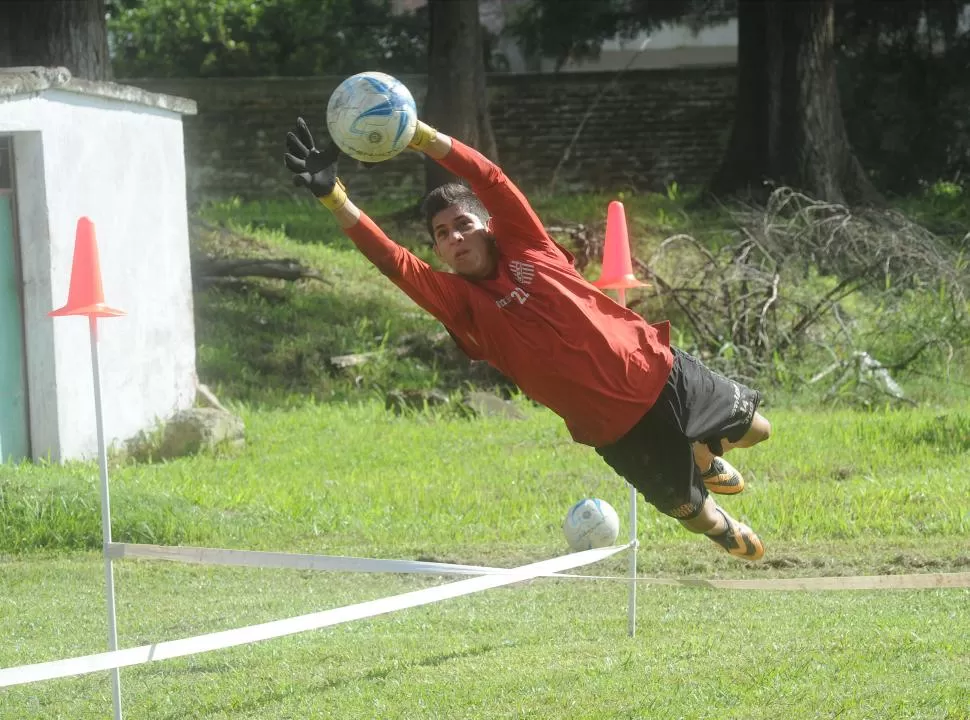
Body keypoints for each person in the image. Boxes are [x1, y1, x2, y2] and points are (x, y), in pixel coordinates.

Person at [284, 116, 772, 561]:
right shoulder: (462, 305)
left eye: (463, 225)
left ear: (488, 228)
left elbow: (490, 179)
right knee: (698, 517)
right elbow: (394, 261)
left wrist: (419, 135)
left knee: (758, 431)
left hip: (659, 371)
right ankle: (722, 521)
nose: (454, 237)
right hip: (616, 430)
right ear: (438, 251)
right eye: (441, 235)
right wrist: (335, 199)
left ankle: (703, 455)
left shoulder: (528, 244)